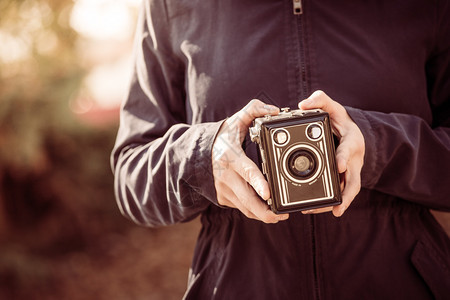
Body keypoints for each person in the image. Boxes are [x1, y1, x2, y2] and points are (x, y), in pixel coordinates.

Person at [111, 0, 450, 299]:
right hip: (238, 285)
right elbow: (132, 173)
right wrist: (203, 157)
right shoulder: (171, 5)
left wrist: (379, 145)